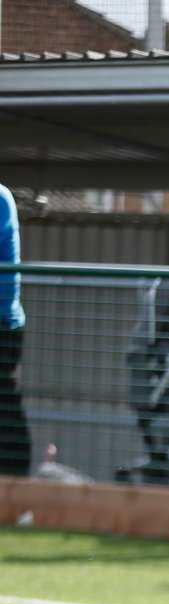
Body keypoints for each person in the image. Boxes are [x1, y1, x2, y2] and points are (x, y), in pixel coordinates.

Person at [0, 182, 28, 476]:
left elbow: (7, 279)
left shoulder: (0, 197)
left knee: (6, 412)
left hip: (3, 326)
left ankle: (17, 487)